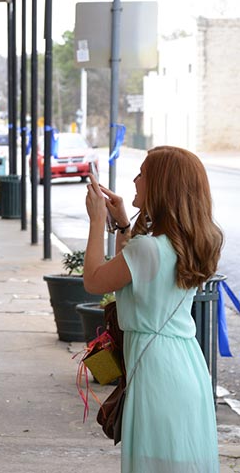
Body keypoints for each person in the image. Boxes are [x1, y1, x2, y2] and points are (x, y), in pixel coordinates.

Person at [83, 146, 223, 472]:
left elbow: (94, 280)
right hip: (185, 365)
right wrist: (120, 224)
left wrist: (95, 221)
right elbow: (135, 270)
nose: (134, 179)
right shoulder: (185, 243)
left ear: (160, 185)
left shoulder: (149, 248)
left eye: (142, 173)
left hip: (155, 372)